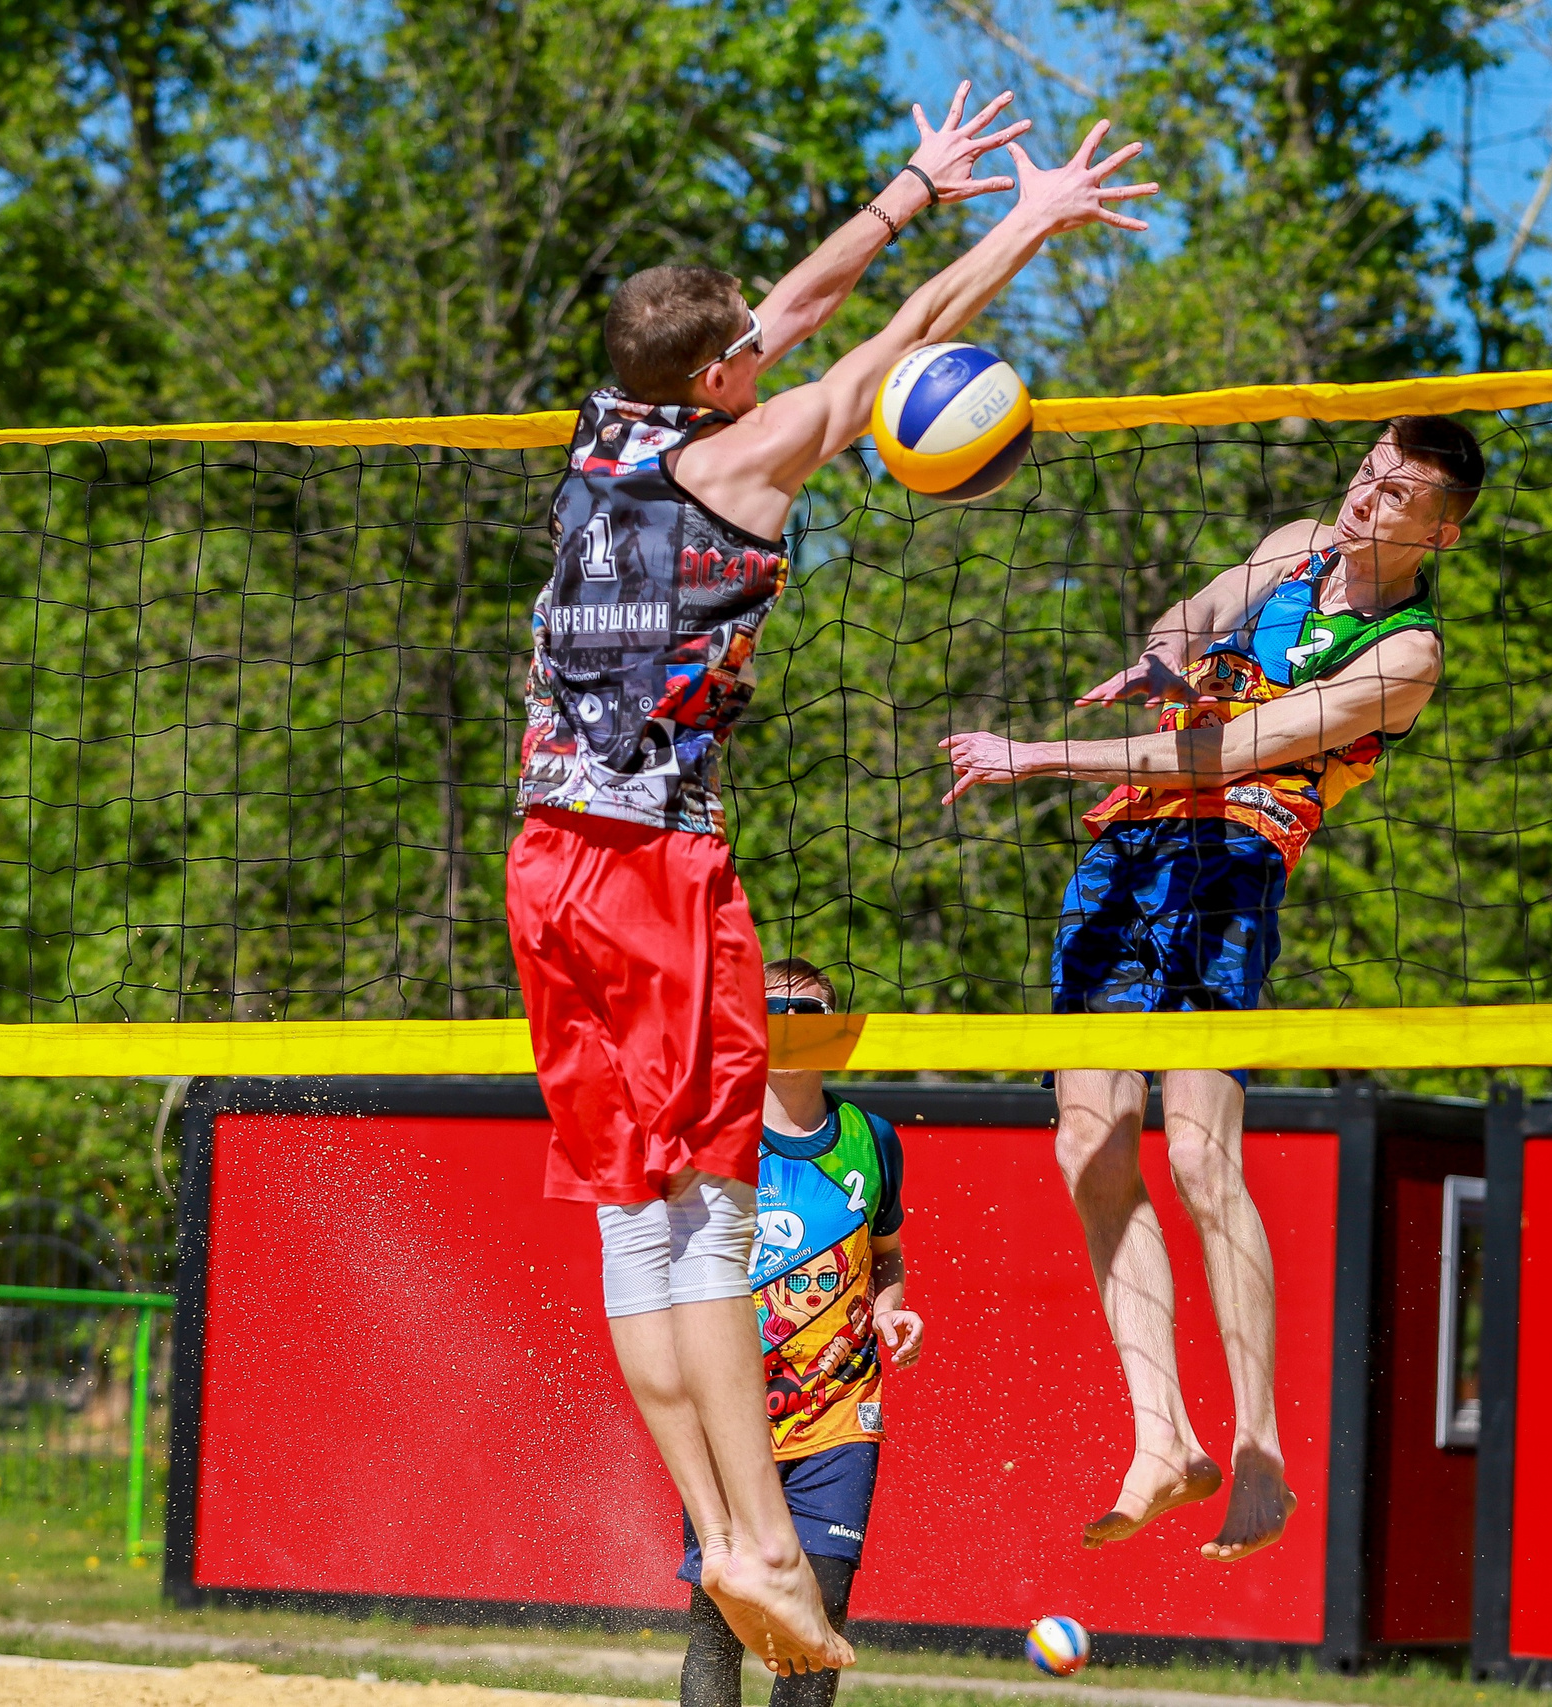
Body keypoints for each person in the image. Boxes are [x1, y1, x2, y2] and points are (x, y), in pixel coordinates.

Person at [505, 84, 1154, 1672]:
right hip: (658, 866)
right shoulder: (743, 465)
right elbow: (889, 344)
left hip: (543, 859)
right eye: (746, 346)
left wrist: (910, 187)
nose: (768, 342)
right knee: (715, 1213)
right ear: (718, 377)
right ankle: (761, 1536)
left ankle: (723, 1529)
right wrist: (1024, 220)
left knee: (635, 1222)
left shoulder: (611, 430)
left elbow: (790, 309)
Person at [937, 417, 1485, 1562]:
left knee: (1196, 1154)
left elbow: (1226, 756)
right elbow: (1186, 618)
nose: (1366, 496)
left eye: (1397, 494)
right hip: (1125, 854)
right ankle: (1160, 1439)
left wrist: (1034, 757)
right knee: (1087, 1140)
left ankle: (1260, 1452)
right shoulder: (1294, 545)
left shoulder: (1405, 655)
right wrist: (1165, 660)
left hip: (1228, 865)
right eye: (1367, 472)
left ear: (1441, 532)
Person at [678, 958, 919, 1707]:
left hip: (839, 1412)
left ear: (835, 1032)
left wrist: (890, 1307)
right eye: (770, 1011)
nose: (786, 1025)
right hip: (731, 1412)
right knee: (722, 1620)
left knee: (821, 1615)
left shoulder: (871, 1138)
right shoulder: (713, 1133)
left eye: (805, 1013)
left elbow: (887, 1253)